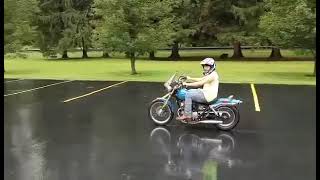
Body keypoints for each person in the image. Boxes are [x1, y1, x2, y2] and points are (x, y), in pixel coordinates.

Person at [176, 58, 219, 122]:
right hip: (206, 93)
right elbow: (201, 79)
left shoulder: (212, 75)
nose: (205, 68)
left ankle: (187, 115)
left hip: (208, 96)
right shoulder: (211, 74)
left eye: (207, 66)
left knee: (188, 94)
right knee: (190, 91)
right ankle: (192, 109)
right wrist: (189, 78)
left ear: (212, 66)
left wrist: (187, 84)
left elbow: (200, 83)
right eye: (204, 66)